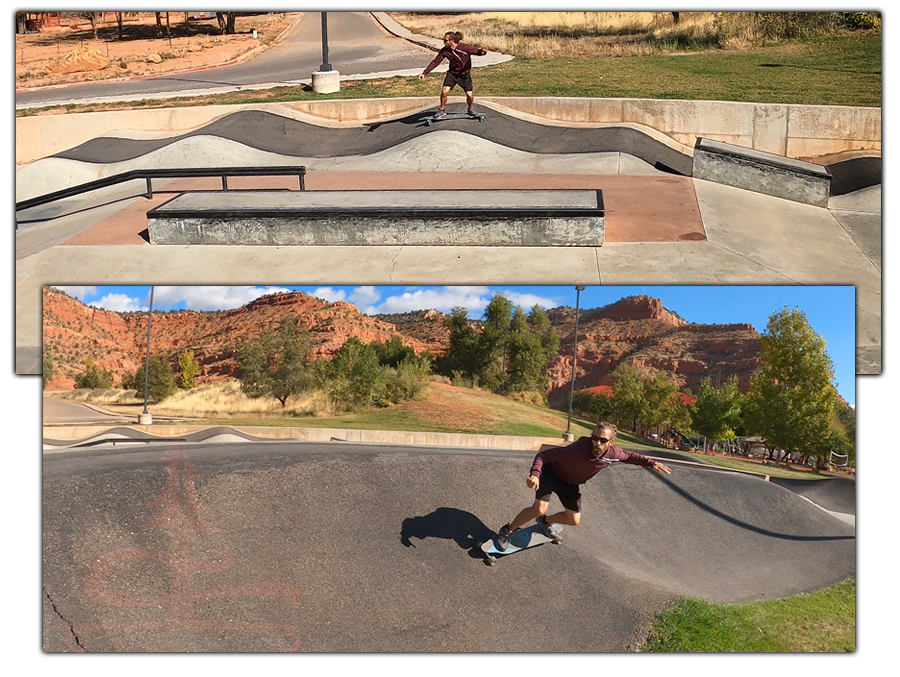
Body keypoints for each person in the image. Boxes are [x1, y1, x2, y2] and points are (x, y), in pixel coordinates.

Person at [496, 422, 672, 551]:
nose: (597, 443)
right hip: (552, 474)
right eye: (595, 438)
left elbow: (631, 456)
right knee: (540, 508)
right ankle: (507, 530)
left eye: (603, 440)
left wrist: (651, 462)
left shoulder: (615, 453)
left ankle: (545, 522)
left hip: (571, 483)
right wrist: (535, 473)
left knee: (574, 520)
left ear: (611, 442)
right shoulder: (579, 447)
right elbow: (544, 455)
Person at [417, 31, 487, 118]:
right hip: (452, 74)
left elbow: (477, 51)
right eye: (444, 40)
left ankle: (471, 109)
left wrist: (482, 51)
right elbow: (436, 62)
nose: (444, 42)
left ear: (452, 40)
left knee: (469, 95)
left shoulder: (464, 48)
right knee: (444, 91)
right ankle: (442, 110)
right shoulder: (444, 51)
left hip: (464, 75)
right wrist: (425, 73)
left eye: (445, 40)